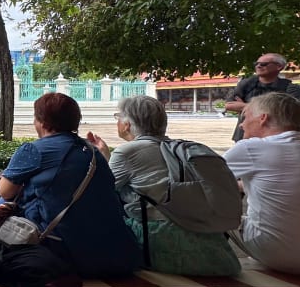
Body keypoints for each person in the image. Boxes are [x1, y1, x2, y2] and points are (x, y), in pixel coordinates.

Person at [86, 95, 240, 276]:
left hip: (158, 239)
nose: (117, 122)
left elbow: (102, 191)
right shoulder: (177, 149)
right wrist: (106, 155)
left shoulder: (126, 152)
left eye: (118, 117)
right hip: (208, 239)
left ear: (127, 125)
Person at [0, 92, 140, 279]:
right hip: (114, 252)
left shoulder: (33, 149)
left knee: (2, 204)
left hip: (63, 248)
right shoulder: (93, 151)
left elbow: (5, 190)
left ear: (42, 122)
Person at [223, 92, 300, 275]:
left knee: (207, 204)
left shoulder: (251, 147)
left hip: (278, 254)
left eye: (245, 117)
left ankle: (209, 266)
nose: (241, 124)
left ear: (263, 118)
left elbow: (205, 179)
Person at [224, 52, 300, 141]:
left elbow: (287, 112)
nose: (258, 66)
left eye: (264, 64)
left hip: (276, 137)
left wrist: (246, 107)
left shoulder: (290, 88)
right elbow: (228, 105)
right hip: (245, 135)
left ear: (279, 66)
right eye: (256, 64)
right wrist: (269, 109)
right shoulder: (246, 84)